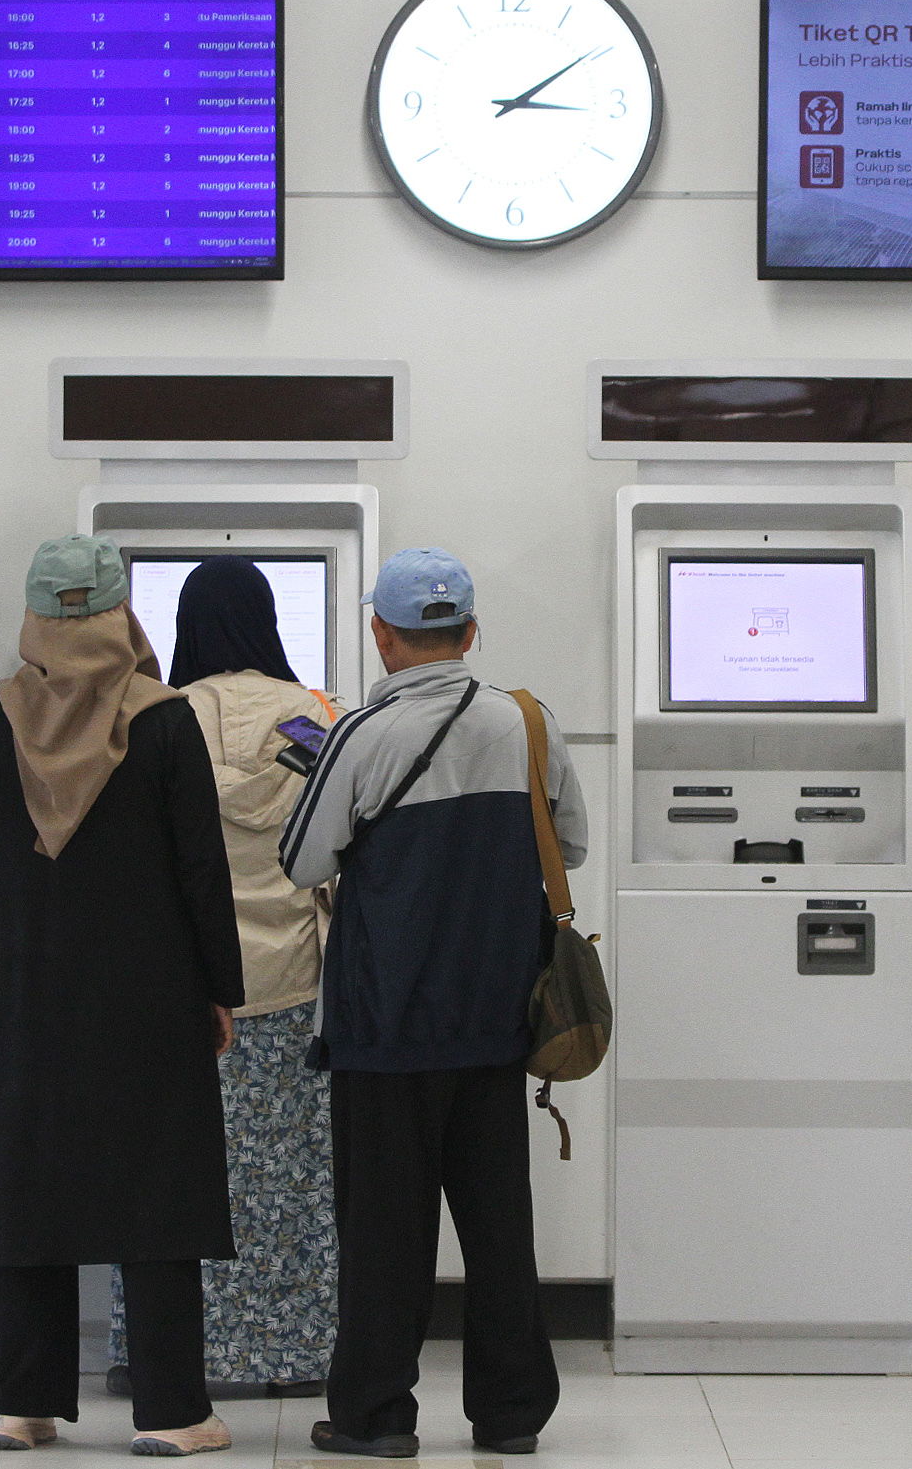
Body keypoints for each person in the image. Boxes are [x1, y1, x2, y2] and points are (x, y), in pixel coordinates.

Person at [0, 534, 248, 1455]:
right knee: (156, 1195)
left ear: (36, 618)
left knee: (28, 1191)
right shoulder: (161, 720)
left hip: (28, 994)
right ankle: (172, 1412)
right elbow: (203, 868)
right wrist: (221, 990)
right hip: (149, 996)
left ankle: (18, 1402)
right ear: (121, 613)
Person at [279, 548, 585, 1459]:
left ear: (382, 632)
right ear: (472, 629)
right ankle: (511, 1414)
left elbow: (303, 861)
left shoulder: (362, 736)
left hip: (384, 1027)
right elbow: (566, 844)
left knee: (384, 1233)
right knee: (499, 1229)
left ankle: (375, 1414)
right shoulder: (528, 724)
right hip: (496, 1021)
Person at [107, 557, 342, 1398]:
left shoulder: (159, 718)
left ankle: (177, 1352)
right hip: (296, 981)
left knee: (176, 1171)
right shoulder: (319, 717)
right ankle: (297, 1353)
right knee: (294, 1174)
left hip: (185, 988)